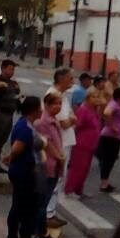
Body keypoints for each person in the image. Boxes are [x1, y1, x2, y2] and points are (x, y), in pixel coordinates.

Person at [5, 96, 43, 238]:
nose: (41, 110)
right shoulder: (24, 129)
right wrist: (10, 157)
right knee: (19, 205)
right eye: (39, 108)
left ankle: (26, 236)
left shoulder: (27, 125)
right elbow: (16, 148)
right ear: (34, 110)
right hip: (21, 173)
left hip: (27, 173)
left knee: (29, 205)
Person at [45, 67, 77, 228]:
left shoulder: (63, 96)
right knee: (55, 179)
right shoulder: (54, 95)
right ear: (62, 78)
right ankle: (48, 213)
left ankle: (51, 211)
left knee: (59, 179)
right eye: (70, 78)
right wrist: (72, 119)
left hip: (64, 141)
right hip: (59, 143)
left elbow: (71, 116)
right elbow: (65, 122)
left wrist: (71, 119)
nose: (73, 81)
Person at [34, 92, 66, 238]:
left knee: (45, 199)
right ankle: (39, 231)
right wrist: (58, 156)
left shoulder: (54, 120)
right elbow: (47, 143)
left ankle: (40, 229)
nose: (58, 106)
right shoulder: (42, 122)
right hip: (48, 165)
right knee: (42, 200)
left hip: (56, 164)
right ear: (46, 105)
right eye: (55, 103)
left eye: (60, 103)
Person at [65, 88, 103, 197]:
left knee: (85, 169)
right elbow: (77, 125)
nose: (96, 99)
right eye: (94, 97)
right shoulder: (83, 110)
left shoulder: (94, 110)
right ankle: (70, 189)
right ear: (88, 98)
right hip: (82, 144)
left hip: (91, 144)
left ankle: (78, 189)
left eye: (97, 97)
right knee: (77, 168)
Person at [96, 88, 120, 193]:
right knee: (108, 160)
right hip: (110, 137)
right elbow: (106, 113)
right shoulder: (114, 104)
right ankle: (104, 183)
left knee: (111, 159)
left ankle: (105, 181)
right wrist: (112, 126)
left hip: (116, 138)